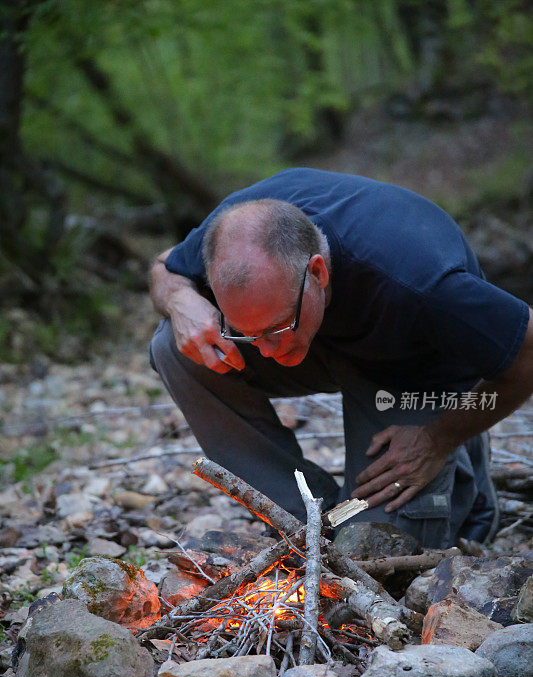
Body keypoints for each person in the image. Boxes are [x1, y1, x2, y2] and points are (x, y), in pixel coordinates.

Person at [149, 168, 532, 548]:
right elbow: (165, 267)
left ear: (317, 271)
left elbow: (529, 349)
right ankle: (305, 517)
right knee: (173, 344)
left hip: (410, 370)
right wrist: (178, 298)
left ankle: (466, 477)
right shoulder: (233, 235)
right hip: (322, 341)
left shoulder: (422, 282)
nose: (264, 350)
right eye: (247, 333)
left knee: (377, 547)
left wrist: (439, 438)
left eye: (276, 328)